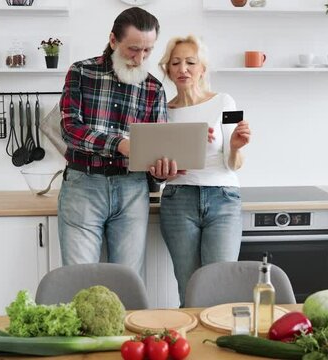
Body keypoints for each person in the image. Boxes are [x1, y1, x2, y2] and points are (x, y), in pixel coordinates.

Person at [58, 7, 177, 277]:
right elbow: (69, 128)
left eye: (148, 50)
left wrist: (160, 171)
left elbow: (156, 145)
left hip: (133, 190)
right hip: (83, 186)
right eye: (133, 49)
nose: (140, 58)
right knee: (78, 280)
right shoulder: (81, 72)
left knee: (127, 282)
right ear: (113, 40)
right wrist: (120, 144)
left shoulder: (153, 88)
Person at [153, 35, 251, 306]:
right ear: (168, 70)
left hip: (223, 199)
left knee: (220, 287)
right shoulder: (162, 111)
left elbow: (234, 163)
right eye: (176, 63)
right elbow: (157, 169)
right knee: (189, 289)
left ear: (202, 69)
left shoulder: (224, 102)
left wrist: (235, 146)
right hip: (177, 201)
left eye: (190, 62)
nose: (183, 68)